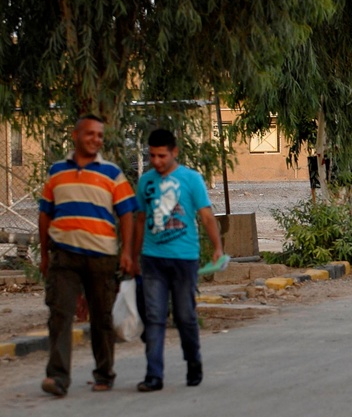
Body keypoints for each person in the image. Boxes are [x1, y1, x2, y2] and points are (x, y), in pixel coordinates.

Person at [38, 115, 137, 397]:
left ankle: (104, 373)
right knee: (59, 314)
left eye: (99, 135)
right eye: (90, 134)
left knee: (102, 317)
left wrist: (126, 252)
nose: (95, 139)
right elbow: (45, 214)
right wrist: (44, 254)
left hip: (102, 257)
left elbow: (127, 213)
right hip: (64, 257)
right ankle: (57, 377)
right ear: (76, 135)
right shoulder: (56, 172)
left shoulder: (112, 174)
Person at [133, 129, 224, 392]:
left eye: (162, 155)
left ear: (175, 152)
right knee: (154, 317)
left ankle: (193, 361)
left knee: (185, 315)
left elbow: (206, 216)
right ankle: (154, 375)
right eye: (152, 156)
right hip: (152, 259)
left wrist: (217, 247)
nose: (157, 161)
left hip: (184, 259)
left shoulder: (191, 179)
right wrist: (131, 255)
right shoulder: (145, 181)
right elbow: (140, 219)